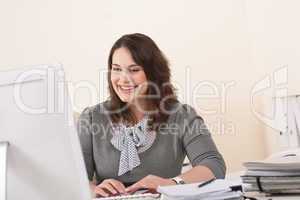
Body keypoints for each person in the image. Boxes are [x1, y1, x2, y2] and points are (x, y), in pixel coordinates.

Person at [77, 33, 226, 197]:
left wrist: (172, 183)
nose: (123, 79)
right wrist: (93, 189)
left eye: (134, 70)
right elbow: (74, 177)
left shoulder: (182, 116)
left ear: (153, 73)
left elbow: (214, 165)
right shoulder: (92, 118)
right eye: (117, 69)